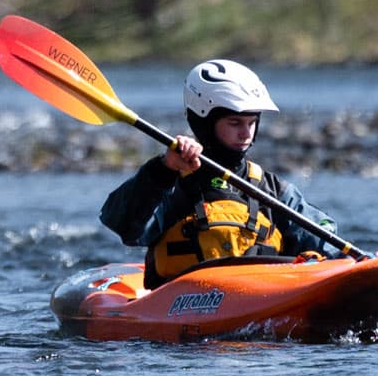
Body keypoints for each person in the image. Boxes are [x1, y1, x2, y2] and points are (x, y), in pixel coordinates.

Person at [98, 59, 329, 286]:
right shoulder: (171, 184)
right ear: (204, 123)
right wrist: (163, 169)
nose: (246, 133)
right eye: (235, 122)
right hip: (184, 306)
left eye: (252, 122)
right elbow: (124, 225)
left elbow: (325, 243)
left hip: (264, 299)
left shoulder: (273, 191)